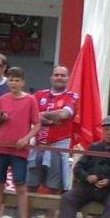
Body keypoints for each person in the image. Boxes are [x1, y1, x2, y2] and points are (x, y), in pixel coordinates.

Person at [0, 66, 41, 218]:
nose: (14, 83)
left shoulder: (30, 100)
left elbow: (37, 124)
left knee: (20, 185)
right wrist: (0, 119)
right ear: (7, 81)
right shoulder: (2, 99)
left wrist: (26, 139)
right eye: (11, 80)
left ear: (22, 82)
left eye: (17, 80)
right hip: (1, 146)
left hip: (19, 149)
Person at [28, 65, 78, 193]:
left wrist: (41, 116)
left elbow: (65, 114)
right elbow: (29, 115)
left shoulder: (72, 96)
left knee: (53, 188)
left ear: (68, 78)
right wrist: (51, 119)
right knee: (30, 185)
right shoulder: (39, 95)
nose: (59, 78)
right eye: (56, 75)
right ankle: (27, 214)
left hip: (57, 148)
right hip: (37, 146)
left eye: (63, 75)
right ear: (51, 78)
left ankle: (50, 214)